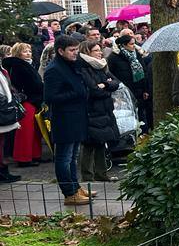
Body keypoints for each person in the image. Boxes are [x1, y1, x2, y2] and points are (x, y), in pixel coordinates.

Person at [43, 35, 91, 205]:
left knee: (73, 157)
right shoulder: (54, 69)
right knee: (64, 158)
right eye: (72, 50)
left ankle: (75, 186)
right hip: (64, 119)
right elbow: (50, 97)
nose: (75, 53)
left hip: (77, 116)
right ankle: (69, 193)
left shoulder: (72, 64)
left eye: (77, 49)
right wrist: (76, 93)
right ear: (60, 51)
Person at [77, 39, 121, 183]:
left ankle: (101, 174)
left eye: (99, 49)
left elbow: (115, 82)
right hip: (91, 111)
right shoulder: (83, 68)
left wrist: (105, 85)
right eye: (96, 50)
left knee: (101, 143)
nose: (99, 53)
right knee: (89, 145)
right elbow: (93, 90)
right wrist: (105, 88)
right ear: (87, 52)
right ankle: (87, 177)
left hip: (104, 110)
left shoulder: (101, 66)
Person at [2, 42, 43, 167]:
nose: (28, 53)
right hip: (26, 101)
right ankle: (23, 158)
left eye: (29, 51)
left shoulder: (25, 65)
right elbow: (30, 84)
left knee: (34, 130)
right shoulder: (19, 66)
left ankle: (33, 155)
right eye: (25, 51)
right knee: (25, 131)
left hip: (31, 100)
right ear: (18, 53)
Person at [107, 33, 151, 130]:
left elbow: (144, 71)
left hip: (139, 89)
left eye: (134, 44)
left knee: (141, 113)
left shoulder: (136, 54)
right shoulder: (114, 57)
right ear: (124, 45)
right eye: (131, 44)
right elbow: (111, 74)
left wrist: (145, 89)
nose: (134, 46)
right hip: (125, 91)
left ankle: (143, 133)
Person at [0, 65, 22, 184]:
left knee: (2, 142)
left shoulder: (2, 69)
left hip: (4, 108)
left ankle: (3, 171)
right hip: (2, 108)